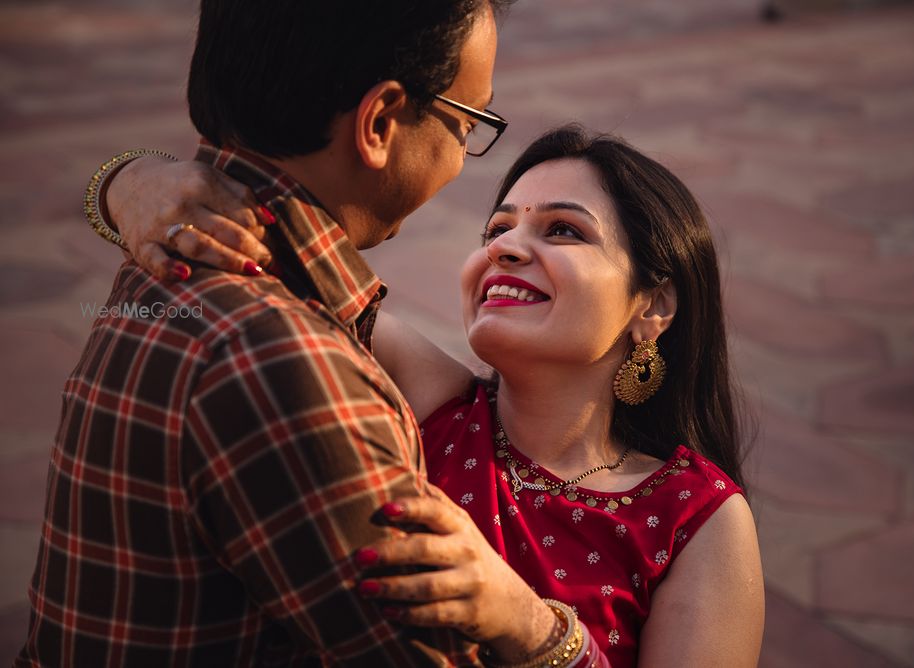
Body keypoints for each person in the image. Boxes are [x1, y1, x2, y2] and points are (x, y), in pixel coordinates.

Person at [93, 125, 766, 666]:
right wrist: (125, 182)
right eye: (498, 230)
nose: (506, 249)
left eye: (562, 230)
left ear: (655, 304)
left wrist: (526, 624)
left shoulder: (695, 519)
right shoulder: (434, 403)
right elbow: (267, 241)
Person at [18, 1, 549, 666]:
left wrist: (119, 181)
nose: (512, 252)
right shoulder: (290, 367)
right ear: (381, 122)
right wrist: (544, 633)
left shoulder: (174, 240)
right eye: (468, 121)